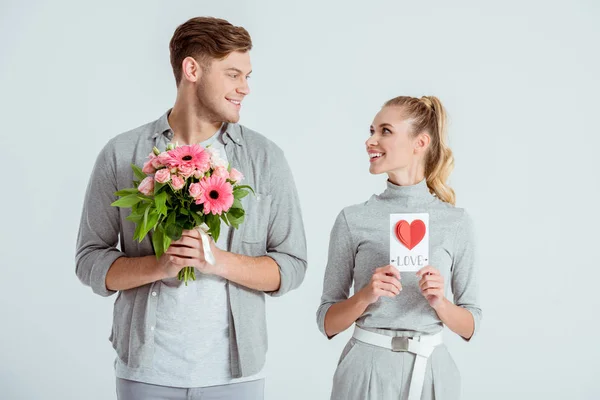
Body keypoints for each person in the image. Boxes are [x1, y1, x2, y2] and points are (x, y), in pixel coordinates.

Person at [76, 16, 307, 400]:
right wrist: (159, 265)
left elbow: (292, 266)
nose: (245, 88)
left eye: (247, 76)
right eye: (234, 74)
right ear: (192, 69)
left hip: (236, 377)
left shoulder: (267, 159)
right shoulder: (121, 155)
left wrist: (215, 259)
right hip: (145, 373)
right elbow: (89, 260)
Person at [316, 95, 481, 400]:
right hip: (364, 370)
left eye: (385, 131)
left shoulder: (455, 222)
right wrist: (366, 294)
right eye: (371, 131)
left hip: (433, 372)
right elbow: (327, 322)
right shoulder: (353, 219)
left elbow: (471, 325)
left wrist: (439, 302)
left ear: (420, 143)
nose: (371, 141)